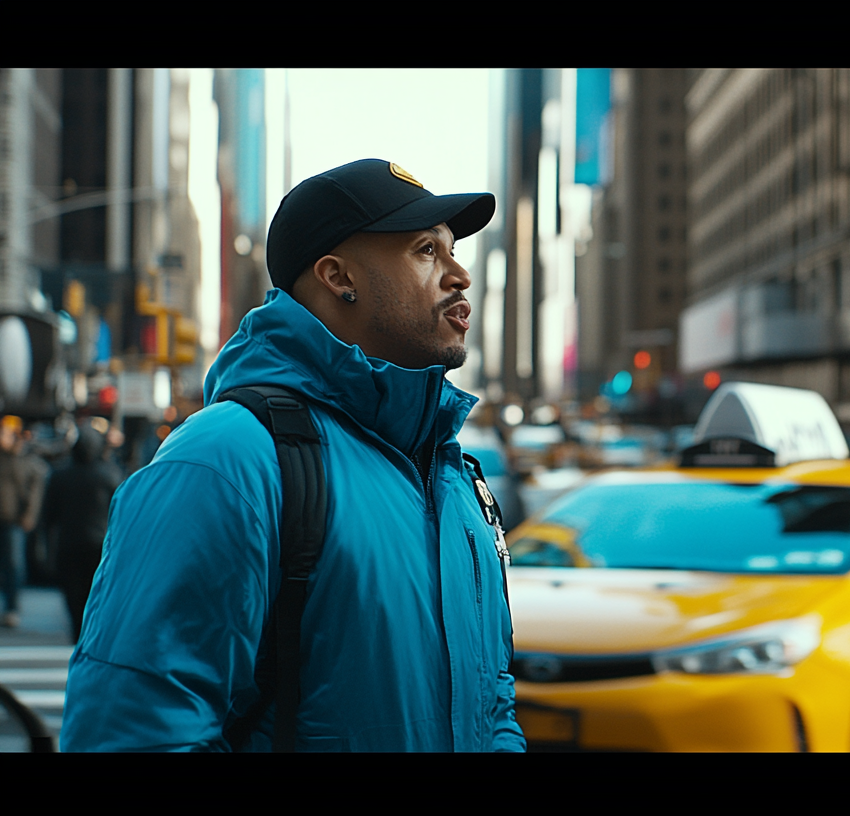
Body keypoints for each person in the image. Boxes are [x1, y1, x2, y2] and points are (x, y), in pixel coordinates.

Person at [61, 159, 525, 752]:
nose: (460, 274)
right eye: (426, 251)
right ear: (338, 276)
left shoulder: (452, 476)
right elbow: (135, 730)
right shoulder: (225, 460)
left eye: (454, 250)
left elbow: (492, 702)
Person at [41, 425, 123, 641]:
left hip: (69, 543)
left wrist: (46, 548)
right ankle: (90, 631)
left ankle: (78, 630)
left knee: (73, 591)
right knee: (94, 591)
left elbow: (48, 516)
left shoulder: (59, 476)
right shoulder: (109, 476)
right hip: (100, 545)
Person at [0, 417, 46, 629]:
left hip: (13, 521)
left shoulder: (25, 459)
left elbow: (35, 489)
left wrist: (29, 516)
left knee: (13, 564)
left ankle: (12, 607)